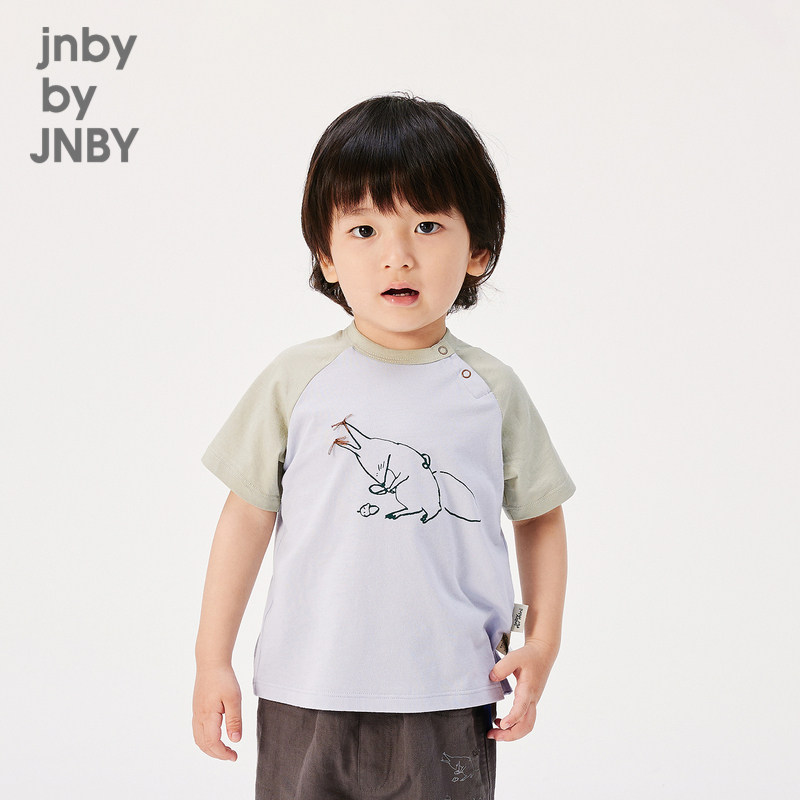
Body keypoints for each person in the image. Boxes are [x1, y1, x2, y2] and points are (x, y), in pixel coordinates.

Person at [192, 93, 576, 800]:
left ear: (479, 250)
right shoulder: (296, 381)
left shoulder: (490, 391)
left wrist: (542, 641)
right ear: (327, 255)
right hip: (307, 688)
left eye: (427, 225)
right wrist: (211, 659)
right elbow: (245, 517)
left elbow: (540, 515)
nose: (397, 256)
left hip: (450, 692)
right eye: (364, 229)